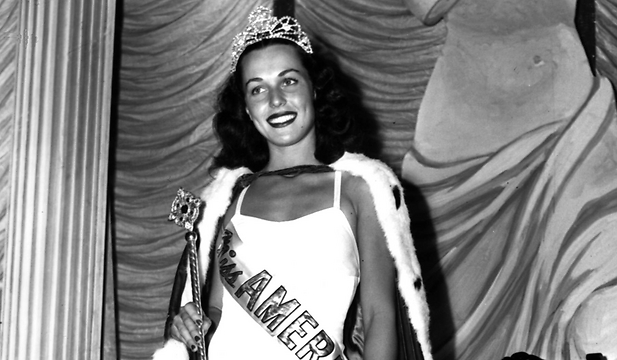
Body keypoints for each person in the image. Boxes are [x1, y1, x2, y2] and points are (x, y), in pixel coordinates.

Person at [153, 6, 432, 360]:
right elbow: (217, 311)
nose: (275, 100)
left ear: (314, 89)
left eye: (288, 81)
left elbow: (380, 317)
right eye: (257, 89)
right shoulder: (230, 198)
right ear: (247, 109)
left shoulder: (359, 189)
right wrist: (192, 322)